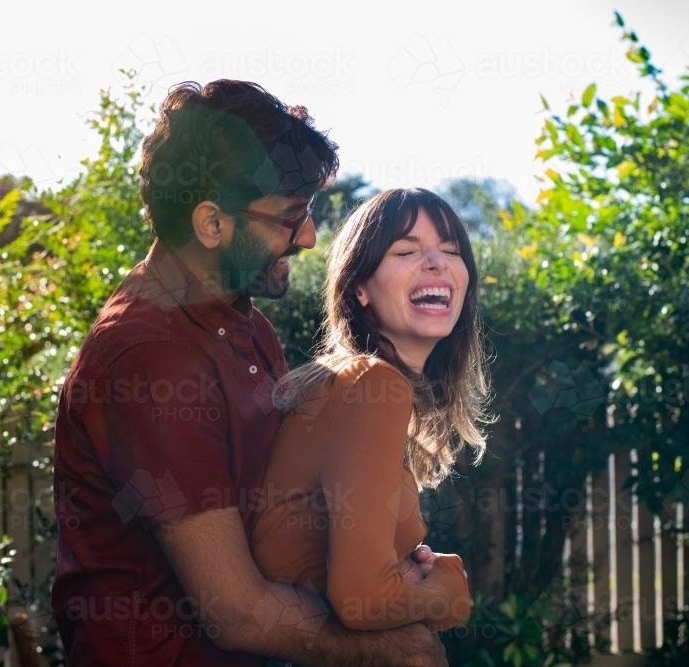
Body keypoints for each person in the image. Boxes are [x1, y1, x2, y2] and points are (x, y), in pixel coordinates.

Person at [52, 80, 447, 666]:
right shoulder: (149, 360)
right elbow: (235, 611)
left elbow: (277, 519)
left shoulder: (243, 324)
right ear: (212, 224)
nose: (310, 237)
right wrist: (391, 647)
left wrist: (385, 571)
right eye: (291, 216)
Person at [251, 188, 490, 633]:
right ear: (359, 287)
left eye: (452, 250)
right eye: (406, 250)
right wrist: (451, 590)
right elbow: (364, 601)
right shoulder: (371, 385)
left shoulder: (355, 383)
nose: (437, 262)